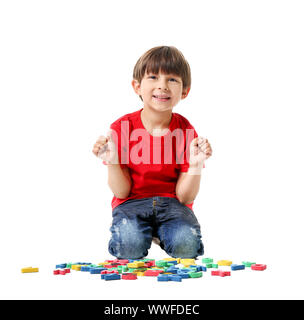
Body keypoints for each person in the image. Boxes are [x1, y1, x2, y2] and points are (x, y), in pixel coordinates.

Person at [92, 46, 212, 259]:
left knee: (187, 248)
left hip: (173, 205)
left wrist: (195, 165)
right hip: (131, 205)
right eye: (153, 77)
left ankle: (160, 231)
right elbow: (121, 192)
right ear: (137, 86)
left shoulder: (186, 131)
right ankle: (148, 232)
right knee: (129, 248)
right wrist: (113, 161)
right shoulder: (122, 127)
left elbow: (185, 197)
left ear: (185, 91)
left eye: (172, 80)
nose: (162, 86)